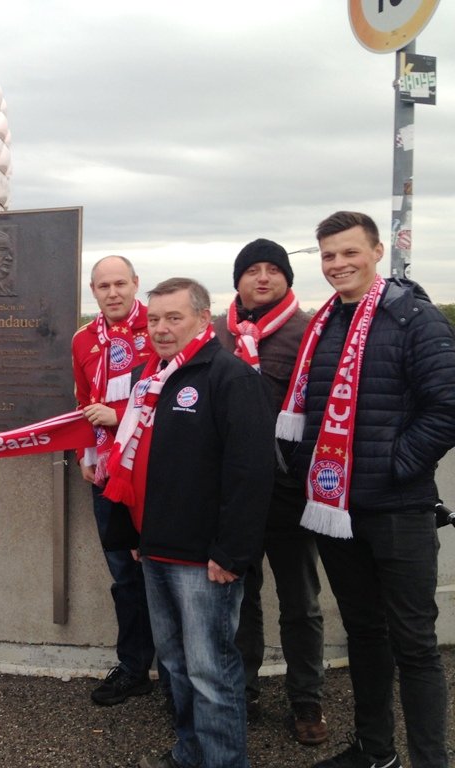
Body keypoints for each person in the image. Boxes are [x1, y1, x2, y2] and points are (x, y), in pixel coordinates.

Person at [280, 212, 455, 768]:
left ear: (377, 252)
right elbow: (309, 410)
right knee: (364, 634)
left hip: (398, 508)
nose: (338, 264)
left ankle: (430, 759)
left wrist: (393, 466)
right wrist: (304, 466)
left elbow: (447, 407)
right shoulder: (324, 324)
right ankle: (375, 751)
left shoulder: (415, 318)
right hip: (336, 509)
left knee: (415, 645)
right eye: (328, 255)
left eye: (349, 252)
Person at [104, 278, 275, 768]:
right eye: (154, 319)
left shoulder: (230, 377)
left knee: (211, 673)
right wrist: (134, 534)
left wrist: (231, 552)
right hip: (155, 548)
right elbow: (133, 462)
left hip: (204, 561)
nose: (161, 328)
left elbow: (250, 472)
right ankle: (190, 754)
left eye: (173, 318)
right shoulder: (150, 377)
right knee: (176, 667)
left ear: (203, 319)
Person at [212, 239, 327, 745]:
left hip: (290, 490)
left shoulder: (310, 332)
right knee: (239, 596)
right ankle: (244, 689)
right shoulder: (217, 333)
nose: (263, 278)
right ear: (237, 280)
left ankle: (307, 699)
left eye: (273, 269)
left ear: (287, 278)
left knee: (301, 601)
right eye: (252, 270)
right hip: (235, 490)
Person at [72, 255, 159, 706]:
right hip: (106, 474)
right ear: (93, 291)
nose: (112, 293)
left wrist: (118, 415)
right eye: (103, 286)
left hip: (154, 471)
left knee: (163, 571)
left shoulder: (158, 327)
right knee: (124, 574)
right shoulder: (84, 339)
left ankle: (177, 675)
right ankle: (133, 668)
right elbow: (83, 402)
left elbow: (169, 394)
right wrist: (85, 453)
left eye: (120, 283)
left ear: (135, 283)